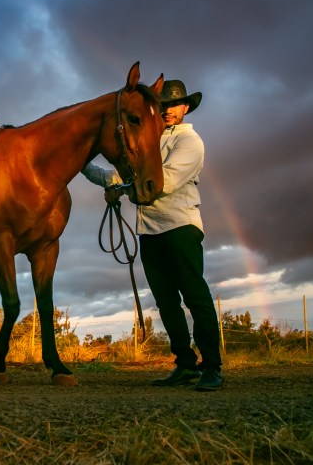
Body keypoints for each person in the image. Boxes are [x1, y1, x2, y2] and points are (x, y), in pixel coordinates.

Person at [82, 79, 224, 391]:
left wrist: (121, 191)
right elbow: (114, 175)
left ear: (186, 107)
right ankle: (185, 364)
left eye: (175, 105)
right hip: (149, 230)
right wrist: (81, 162)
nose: (169, 110)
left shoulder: (190, 142)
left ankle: (212, 366)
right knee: (166, 301)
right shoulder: (149, 140)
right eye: (163, 106)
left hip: (180, 226)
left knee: (195, 297)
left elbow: (164, 183)